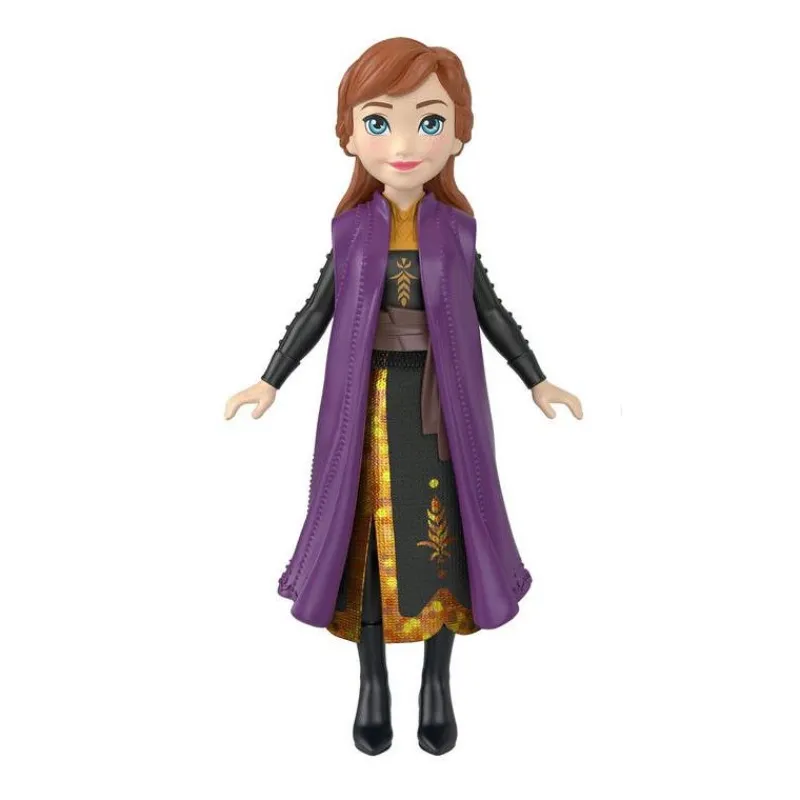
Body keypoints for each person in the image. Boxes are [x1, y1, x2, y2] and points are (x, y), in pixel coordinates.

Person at [225, 37, 582, 756]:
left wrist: (536, 378)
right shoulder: (353, 232)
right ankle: (372, 682)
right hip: (365, 409)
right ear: (350, 136)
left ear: (458, 134)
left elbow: (488, 310)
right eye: (380, 122)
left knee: (441, 541)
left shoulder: (455, 232)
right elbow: (318, 309)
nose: (405, 144)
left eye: (429, 121)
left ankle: (437, 681)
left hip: (441, 411)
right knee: (363, 536)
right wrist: (270, 378)